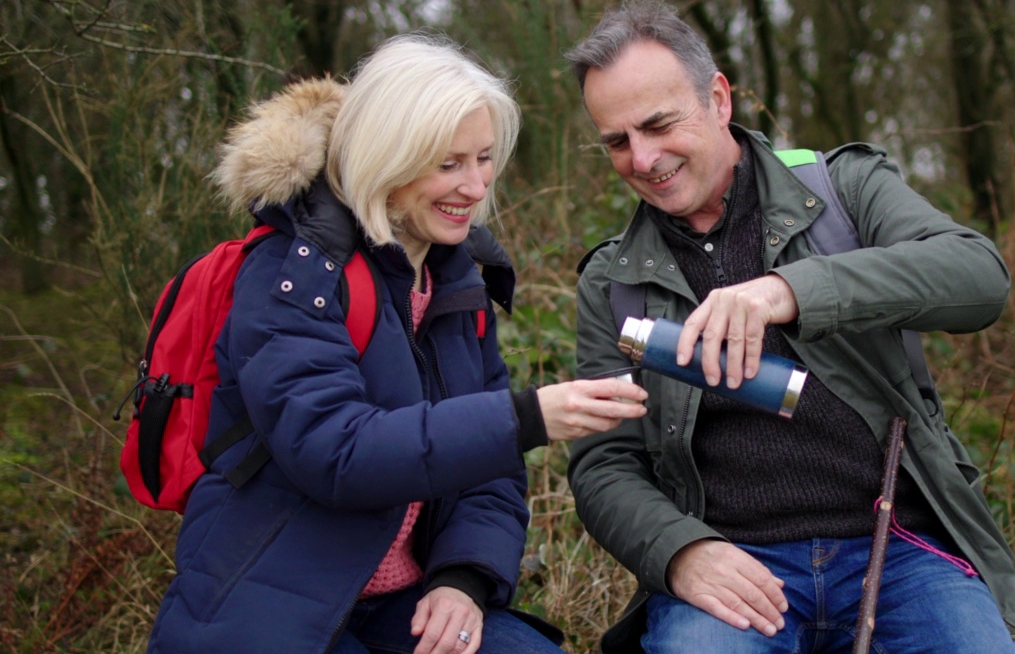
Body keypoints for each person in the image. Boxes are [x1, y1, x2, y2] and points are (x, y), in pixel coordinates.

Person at [147, 33, 649, 654]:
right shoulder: (291, 272)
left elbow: (489, 478)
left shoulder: (457, 280)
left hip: (407, 603)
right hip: (272, 599)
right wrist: (527, 417)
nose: (474, 186)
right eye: (447, 164)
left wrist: (463, 578)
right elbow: (335, 452)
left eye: (484, 158)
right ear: (387, 157)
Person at [565, 0, 1015, 653]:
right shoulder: (613, 282)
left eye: (659, 124)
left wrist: (791, 291)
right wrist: (680, 552)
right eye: (618, 141)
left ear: (718, 99)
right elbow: (604, 464)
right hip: (733, 570)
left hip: (899, 550)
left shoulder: (845, 190)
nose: (643, 159)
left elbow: (979, 278)